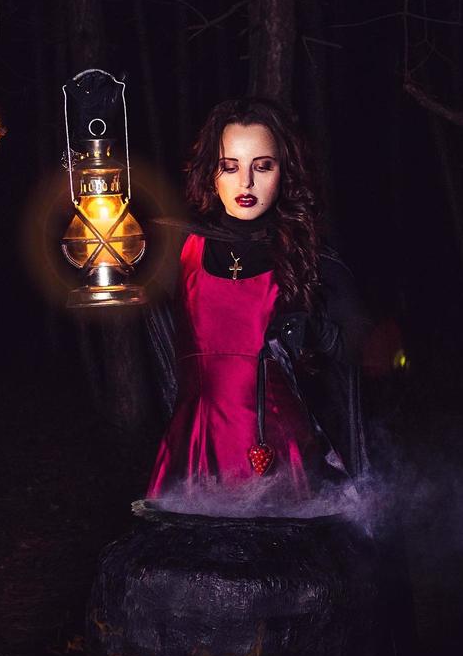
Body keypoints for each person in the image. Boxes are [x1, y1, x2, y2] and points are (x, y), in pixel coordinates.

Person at [143, 97, 369, 500]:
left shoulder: (312, 257)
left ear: (285, 172)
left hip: (283, 455)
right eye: (230, 167)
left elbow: (357, 350)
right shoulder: (180, 248)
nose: (245, 183)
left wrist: (316, 332)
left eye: (262, 166)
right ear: (211, 173)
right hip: (193, 453)